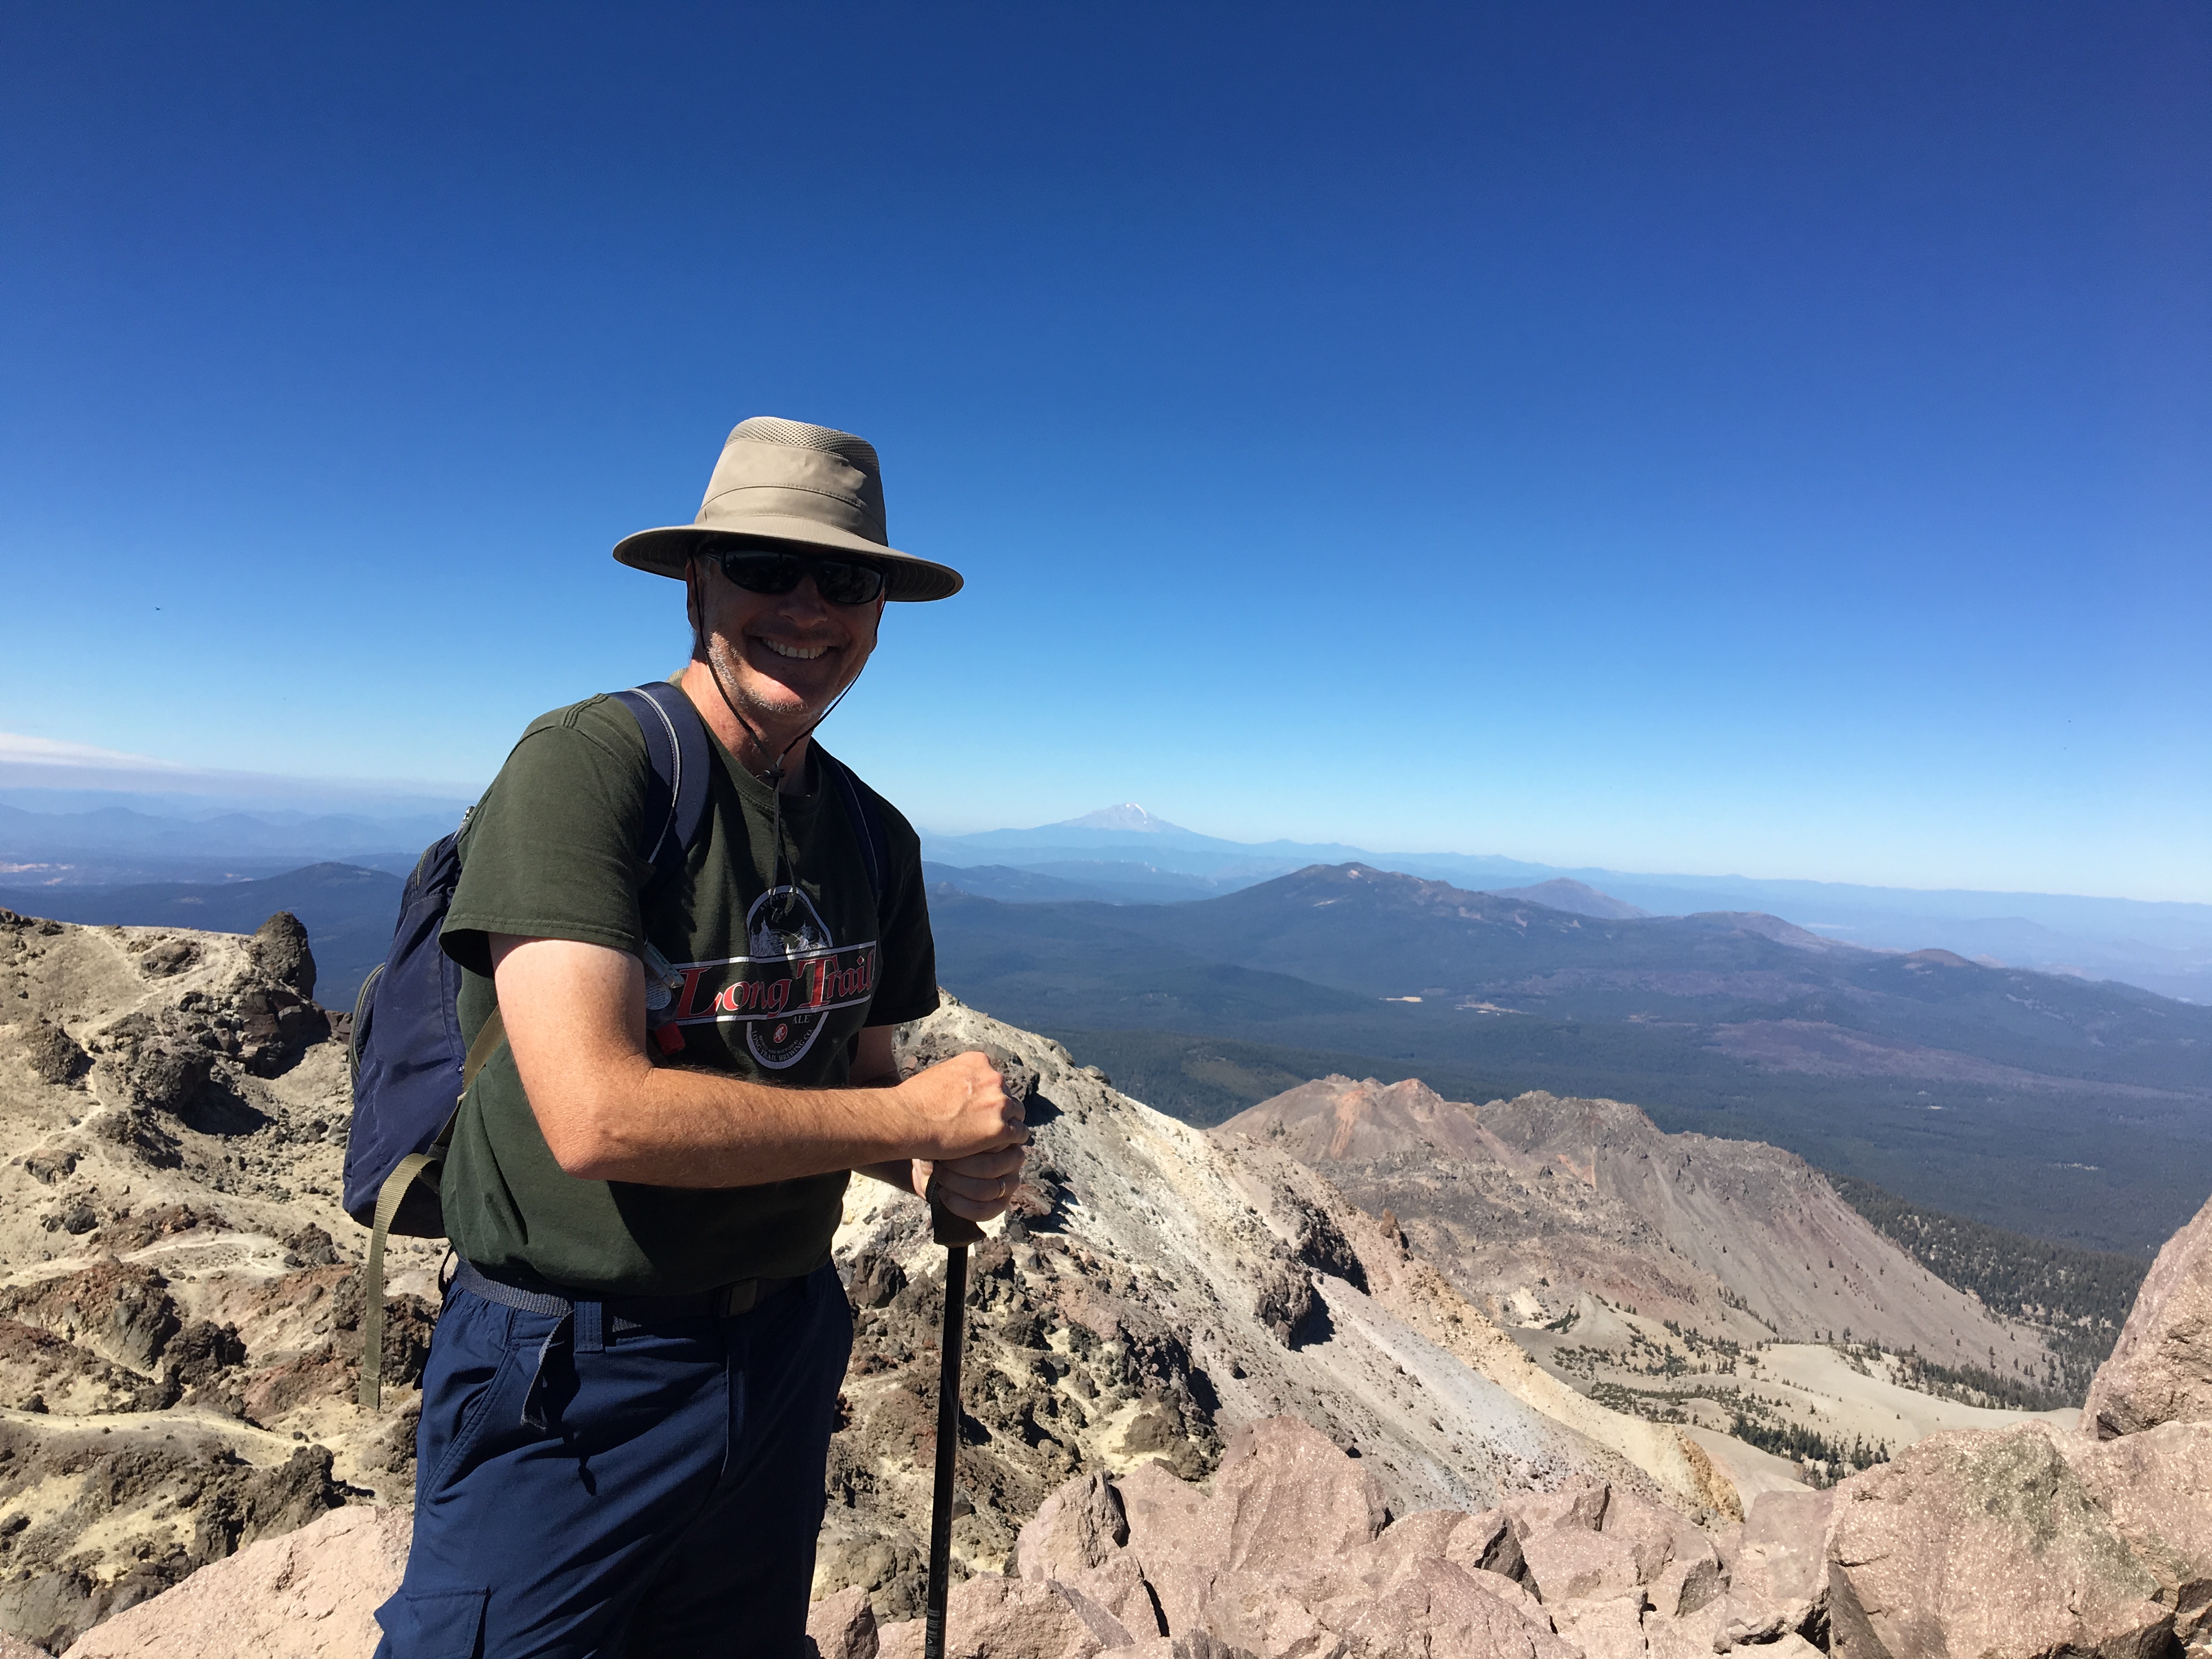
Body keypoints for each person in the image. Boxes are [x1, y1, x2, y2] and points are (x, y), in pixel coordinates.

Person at [374, 416, 1028, 1659]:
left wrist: (946, 1161)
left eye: (849, 578)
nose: (810, 607)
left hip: (781, 1348)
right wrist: (910, 1124)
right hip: (570, 1366)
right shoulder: (592, 768)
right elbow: (594, 1115)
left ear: (881, 610)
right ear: (698, 583)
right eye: (766, 569)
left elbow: (863, 1089)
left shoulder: (876, 838)